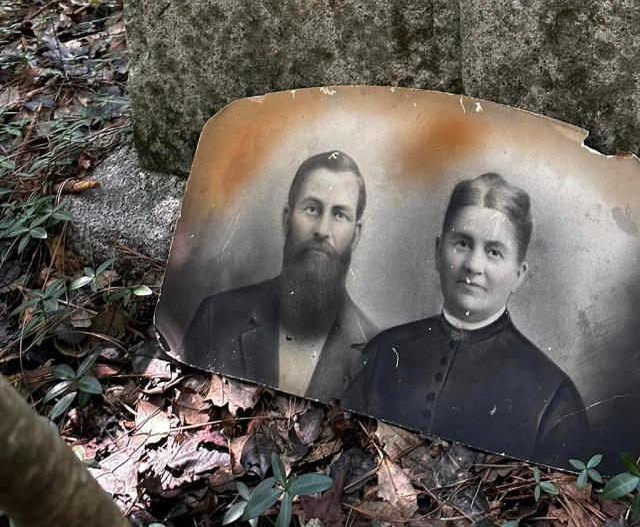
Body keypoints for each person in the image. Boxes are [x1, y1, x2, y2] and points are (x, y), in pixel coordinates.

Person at [343, 172, 589, 466]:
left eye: (494, 252)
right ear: (438, 251)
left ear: (519, 274)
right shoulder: (384, 351)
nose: (473, 265)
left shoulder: (554, 397)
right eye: (461, 243)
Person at [180, 150, 377, 398]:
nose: (322, 230)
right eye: (312, 209)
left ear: (356, 234)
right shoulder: (216, 318)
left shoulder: (378, 353)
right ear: (287, 218)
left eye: (339, 214)